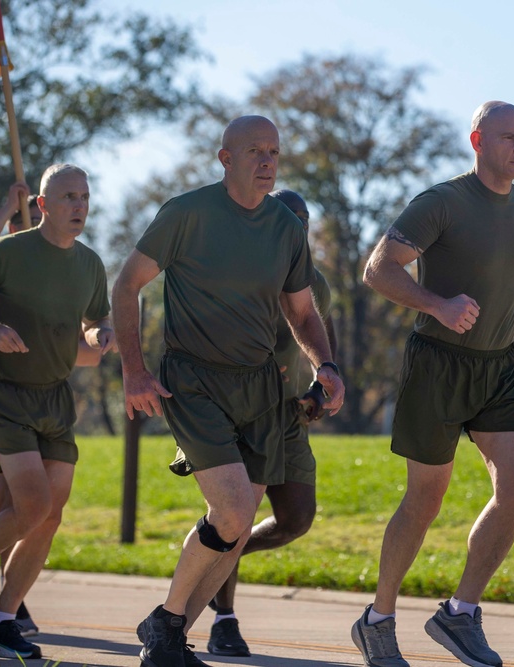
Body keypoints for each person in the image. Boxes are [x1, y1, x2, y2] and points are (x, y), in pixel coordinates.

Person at [112, 115, 345, 667]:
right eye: (255, 152)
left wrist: (327, 366)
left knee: (237, 530)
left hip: (261, 385)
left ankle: (168, 638)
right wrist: (134, 371)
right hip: (194, 380)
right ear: (226, 158)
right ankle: (166, 621)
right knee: (235, 510)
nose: (267, 162)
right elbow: (126, 286)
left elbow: (302, 313)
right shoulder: (187, 213)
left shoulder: (287, 230)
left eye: (274, 152)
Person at [351, 101, 514, 667]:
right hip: (438, 363)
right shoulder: (440, 202)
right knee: (426, 498)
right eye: (509, 137)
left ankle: (460, 613)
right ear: (477, 140)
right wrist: (436, 304)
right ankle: (378, 619)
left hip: (501, 364)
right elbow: (378, 269)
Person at [0, 164, 114, 660]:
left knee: (49, 516)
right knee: (31, 505)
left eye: (84, 196)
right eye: (67, 197)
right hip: (2, 392)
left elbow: (98, 317)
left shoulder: (90, 264)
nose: (78, 206)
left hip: (54, 397)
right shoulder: (7, 253)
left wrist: (102, 333)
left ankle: (3, 618)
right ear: (42, 204)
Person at [199, 188, 337, 657]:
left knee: (296, 519)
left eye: (302, 219)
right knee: (235, 520)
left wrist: (321, 385)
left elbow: (320, 332)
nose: (295, 226)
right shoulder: (245, 270)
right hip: (242, 412)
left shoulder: (316, 282)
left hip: (289, 416)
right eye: (287, 217)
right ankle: (224, 618)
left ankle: (219, 554)